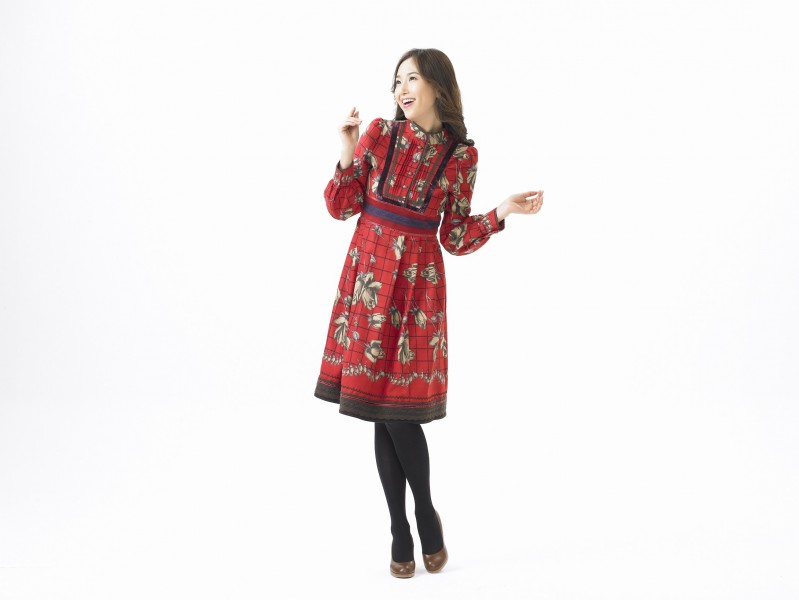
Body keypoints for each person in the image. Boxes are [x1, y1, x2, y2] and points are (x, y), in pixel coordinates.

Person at [314, 48, 544, 578]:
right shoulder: (379, 135)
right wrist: (347, 148)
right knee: (379, 408)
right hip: (370, 280)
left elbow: (454, 236)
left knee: (398, 410)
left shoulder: (461, 156)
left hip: (418, 289)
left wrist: (502, 211)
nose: (401, 89)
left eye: (412, 78)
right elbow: (341, 205)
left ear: (438, 85)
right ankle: (401, 525)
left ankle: (423, 512)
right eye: (396, 80)